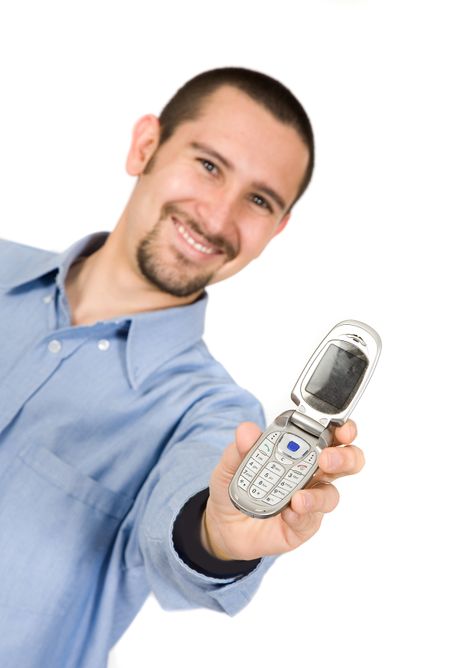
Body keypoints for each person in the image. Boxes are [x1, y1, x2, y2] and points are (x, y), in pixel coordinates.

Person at [0, 67, 363, 667]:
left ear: (276, 229)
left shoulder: (217, 418)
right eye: (209, 165)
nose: (217, 219)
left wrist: (221, 533)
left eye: (258, 199)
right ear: (146, 147)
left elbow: (194, 522)